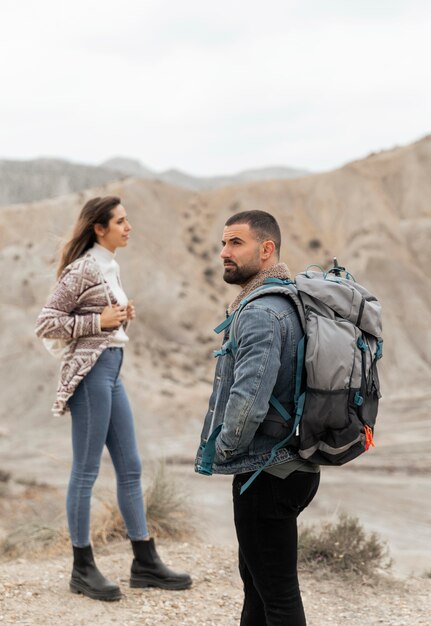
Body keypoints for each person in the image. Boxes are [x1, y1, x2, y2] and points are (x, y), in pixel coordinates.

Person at [36, 196, 191, 601]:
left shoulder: (109, 265)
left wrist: (119, 317)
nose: (129, 226)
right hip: (91, 375)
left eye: (127, 219)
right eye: (121, 221)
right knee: (86, 472)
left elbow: (103, 319)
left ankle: (145, 561)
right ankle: (82, 568)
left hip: (112, 369)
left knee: (131, 466)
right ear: (99, 228)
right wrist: (99, 321)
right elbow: (47, 322)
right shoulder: (83, 267)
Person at [195, 210, 320, 626]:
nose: (223, 253)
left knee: (279, 596)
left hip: (265, 473)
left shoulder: (260, 313)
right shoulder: (290, 299)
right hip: (291, 465)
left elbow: (248, 402)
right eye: (223, 243)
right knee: (258, 585)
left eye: (235, 243)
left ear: (266, 250)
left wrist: (226, 449)